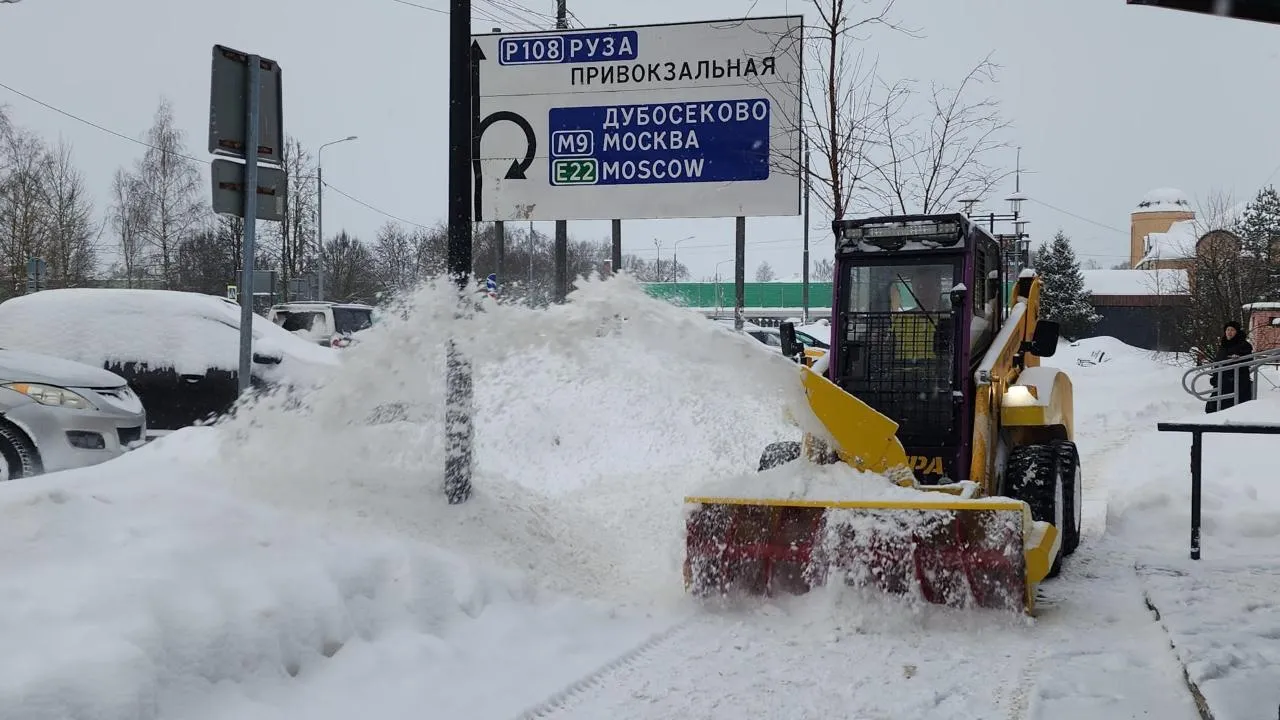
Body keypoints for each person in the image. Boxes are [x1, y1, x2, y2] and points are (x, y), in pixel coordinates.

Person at [1206, 320, 1254, 413]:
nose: (1229, 332)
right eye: (1227, 330)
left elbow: (1248, 360)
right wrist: (1215, 377)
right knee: (1213, 407)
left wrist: (1238, 358)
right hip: (1222, 379)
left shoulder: (1243, 344)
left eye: (1232, 330)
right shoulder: (1223, 345)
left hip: (1237, 381)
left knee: (1232, 407)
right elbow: (1218, 361)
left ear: (1237, 332)